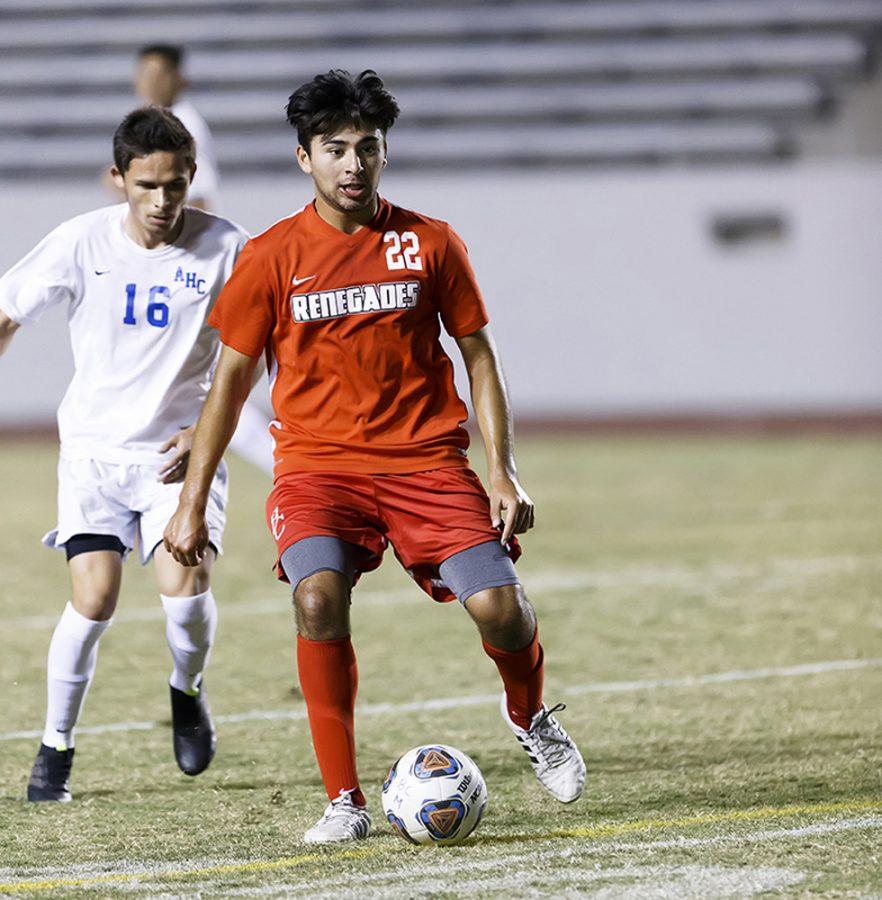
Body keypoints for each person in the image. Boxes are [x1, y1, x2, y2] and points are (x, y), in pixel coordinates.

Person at [163, 69, 585, 843]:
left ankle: (529, 716)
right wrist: (192, 499)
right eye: (335, 149)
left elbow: (478, 356)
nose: (352, 164)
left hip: (426, 462)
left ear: (385, 154)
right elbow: (229, 382)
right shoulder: (270, 257)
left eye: (367, 147)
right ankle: (344, 801)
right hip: (318, 469)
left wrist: (502, 468)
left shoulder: (430, 241)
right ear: (305, 159)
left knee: (503, 608)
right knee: (317, 597)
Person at [0, 107, 249, 802]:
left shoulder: (226, 247)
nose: (163, 201)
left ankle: (186, 689)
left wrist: (206, 428)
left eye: (175, 185)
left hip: (178, 456)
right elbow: (7, 311)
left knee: (183, 589)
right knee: (94, 597)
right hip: (93, 456)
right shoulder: (81, 241)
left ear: (191, 177)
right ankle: (55, 749)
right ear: (118, 180)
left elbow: (253, 352)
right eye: (147, 185)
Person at [135, 45, 220, 213]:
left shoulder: (184, 126)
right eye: (145, 74)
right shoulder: (142, 121)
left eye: (159, 75)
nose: (151, 82)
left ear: (179, 79)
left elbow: (198, 193)